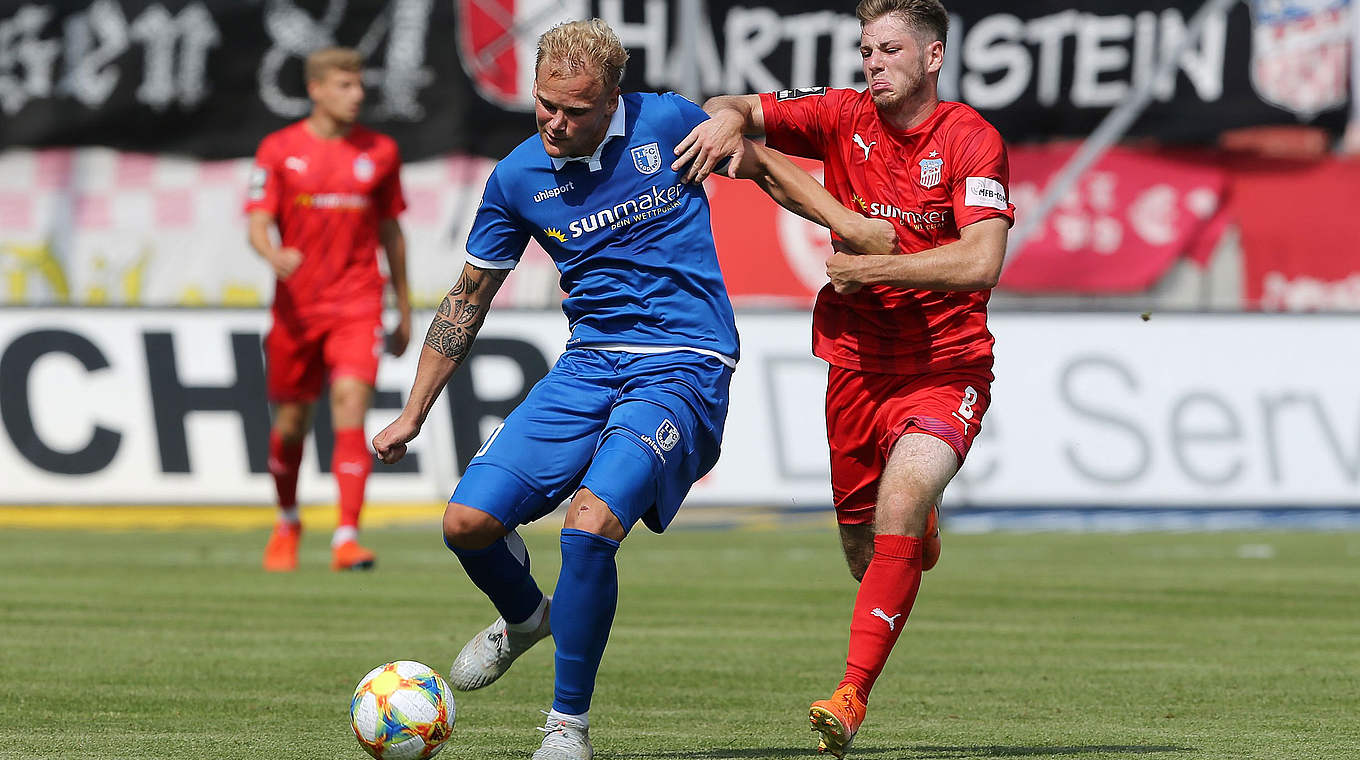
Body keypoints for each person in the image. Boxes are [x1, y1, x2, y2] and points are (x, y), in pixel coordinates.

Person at [371, 18, 892, 760]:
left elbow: (769, 168)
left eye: (574, 110)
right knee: (466, 524)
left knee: (589, 528)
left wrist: (850, 225)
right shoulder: (517, 176)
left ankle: (565, 729)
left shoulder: (670, 123)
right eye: (544, 104)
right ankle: (525, 618)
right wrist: (412, 413)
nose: (554, 122)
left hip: (685, 364)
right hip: (590, 364)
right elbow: (468, 297)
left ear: (614, 98)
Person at [673, 0, 1015, 756]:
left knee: (902, 494)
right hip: (855, 366)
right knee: (865, 553)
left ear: (932, 58)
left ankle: (850, 695)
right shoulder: (838, 115)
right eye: (866, 50)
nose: (873, 63)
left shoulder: (967, 138)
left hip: (944, 366)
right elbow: (731, 109)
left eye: (890, 49)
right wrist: (729, 119)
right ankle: (913, 529)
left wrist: (874, 262)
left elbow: (981, 260)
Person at [245, 47, 412, 573]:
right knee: (291, 424)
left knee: (349, 404)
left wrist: (403, 306)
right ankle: (288, 520)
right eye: (344, 85)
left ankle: (346, 536)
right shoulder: (278, 150)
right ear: (315, 89)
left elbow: (391, 230)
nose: (356, 94)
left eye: (359, 84)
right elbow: (256, 219)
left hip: (357, 303)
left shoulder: (380, 151)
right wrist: (273, 254)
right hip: (296, 309)